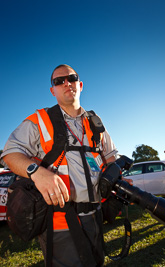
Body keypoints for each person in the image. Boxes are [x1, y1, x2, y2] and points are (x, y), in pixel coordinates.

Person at [0, 64, 132, 267]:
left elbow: (111, 157)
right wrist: (37, 173)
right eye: (58, 81)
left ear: (80, 84)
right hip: (59, 221)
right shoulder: (40, 120)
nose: (66, 83)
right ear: (53, 91)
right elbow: (10, 153)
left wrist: (115, 176)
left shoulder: (96, 122)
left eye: (71, 78)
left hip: (95, 215)